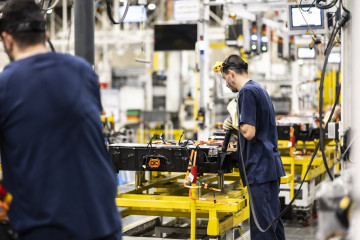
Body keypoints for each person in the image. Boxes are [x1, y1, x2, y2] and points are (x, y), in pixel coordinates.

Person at [0, 1, 122, 239]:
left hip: (47, 227)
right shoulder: (83, 71)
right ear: (45, 35)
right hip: (104, 220)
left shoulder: (5, 86)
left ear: (8, 40)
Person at [221, 54, 286, 240]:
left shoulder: (246, 93)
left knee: (261, 227)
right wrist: (235, 127)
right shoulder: (259, 89)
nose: (227, 85)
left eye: (226, 79)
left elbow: (249, 132)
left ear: (231, 74)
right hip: (270, 166)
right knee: (273, 221)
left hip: (259, 169)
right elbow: (257, 128)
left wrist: (236, 117)